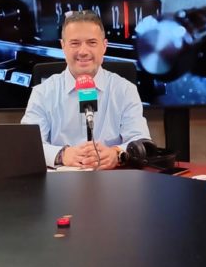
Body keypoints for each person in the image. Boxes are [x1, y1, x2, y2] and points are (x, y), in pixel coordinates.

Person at [21, 10, 150, 169]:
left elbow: (141, 141)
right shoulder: (42, 92)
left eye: (92, 42)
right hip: (60, 186)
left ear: (104, 46)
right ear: (63, 46)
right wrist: (62, 154)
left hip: (113, 184)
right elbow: (27, 146)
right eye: (75, 43)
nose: (83, 51)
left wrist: (116, 154)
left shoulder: (125, 90)